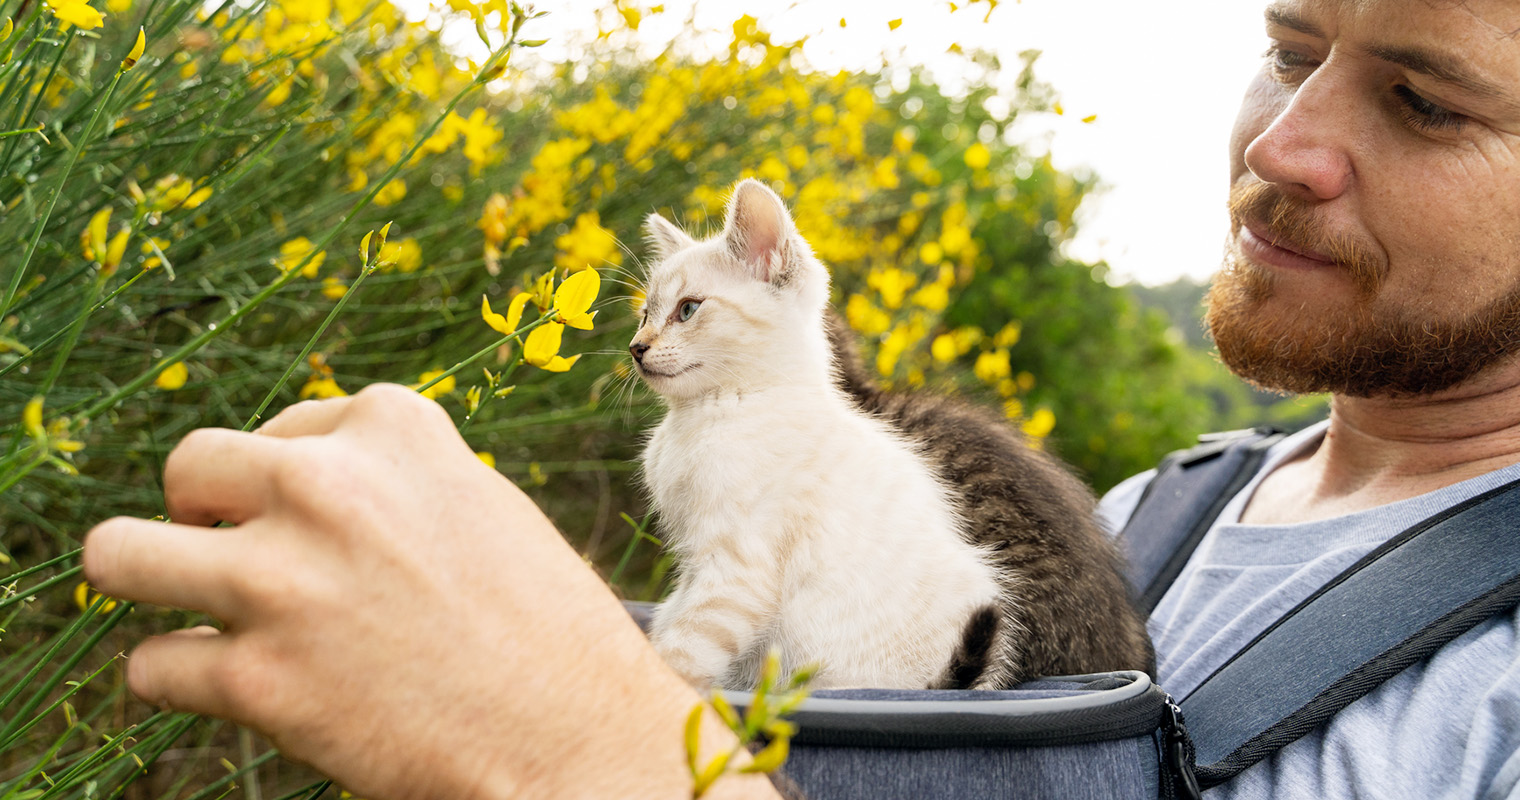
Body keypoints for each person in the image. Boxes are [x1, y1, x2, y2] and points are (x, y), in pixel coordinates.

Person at [81, 0, 1520, 796]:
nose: (1284, 141)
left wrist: (577, 743)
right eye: (1287, 45)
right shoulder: (1159, 516)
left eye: (1429, 102)